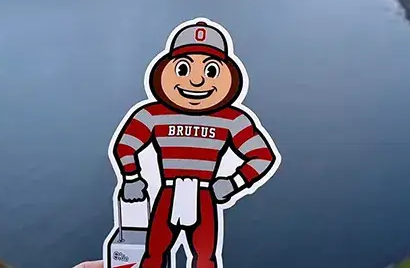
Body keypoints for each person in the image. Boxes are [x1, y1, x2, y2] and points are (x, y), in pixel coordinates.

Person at [103, 19, 280, 268]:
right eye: (183, 69)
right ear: (164, 70)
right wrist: (132, 179)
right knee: (154, 255)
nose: (196, 82)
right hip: (168, 193)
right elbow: (125, 146)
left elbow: (262, 157)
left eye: (210, 71)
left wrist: (233, 183)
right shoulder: (151, 115)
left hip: (205, 196)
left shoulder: (232, 120)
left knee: (205, 258)